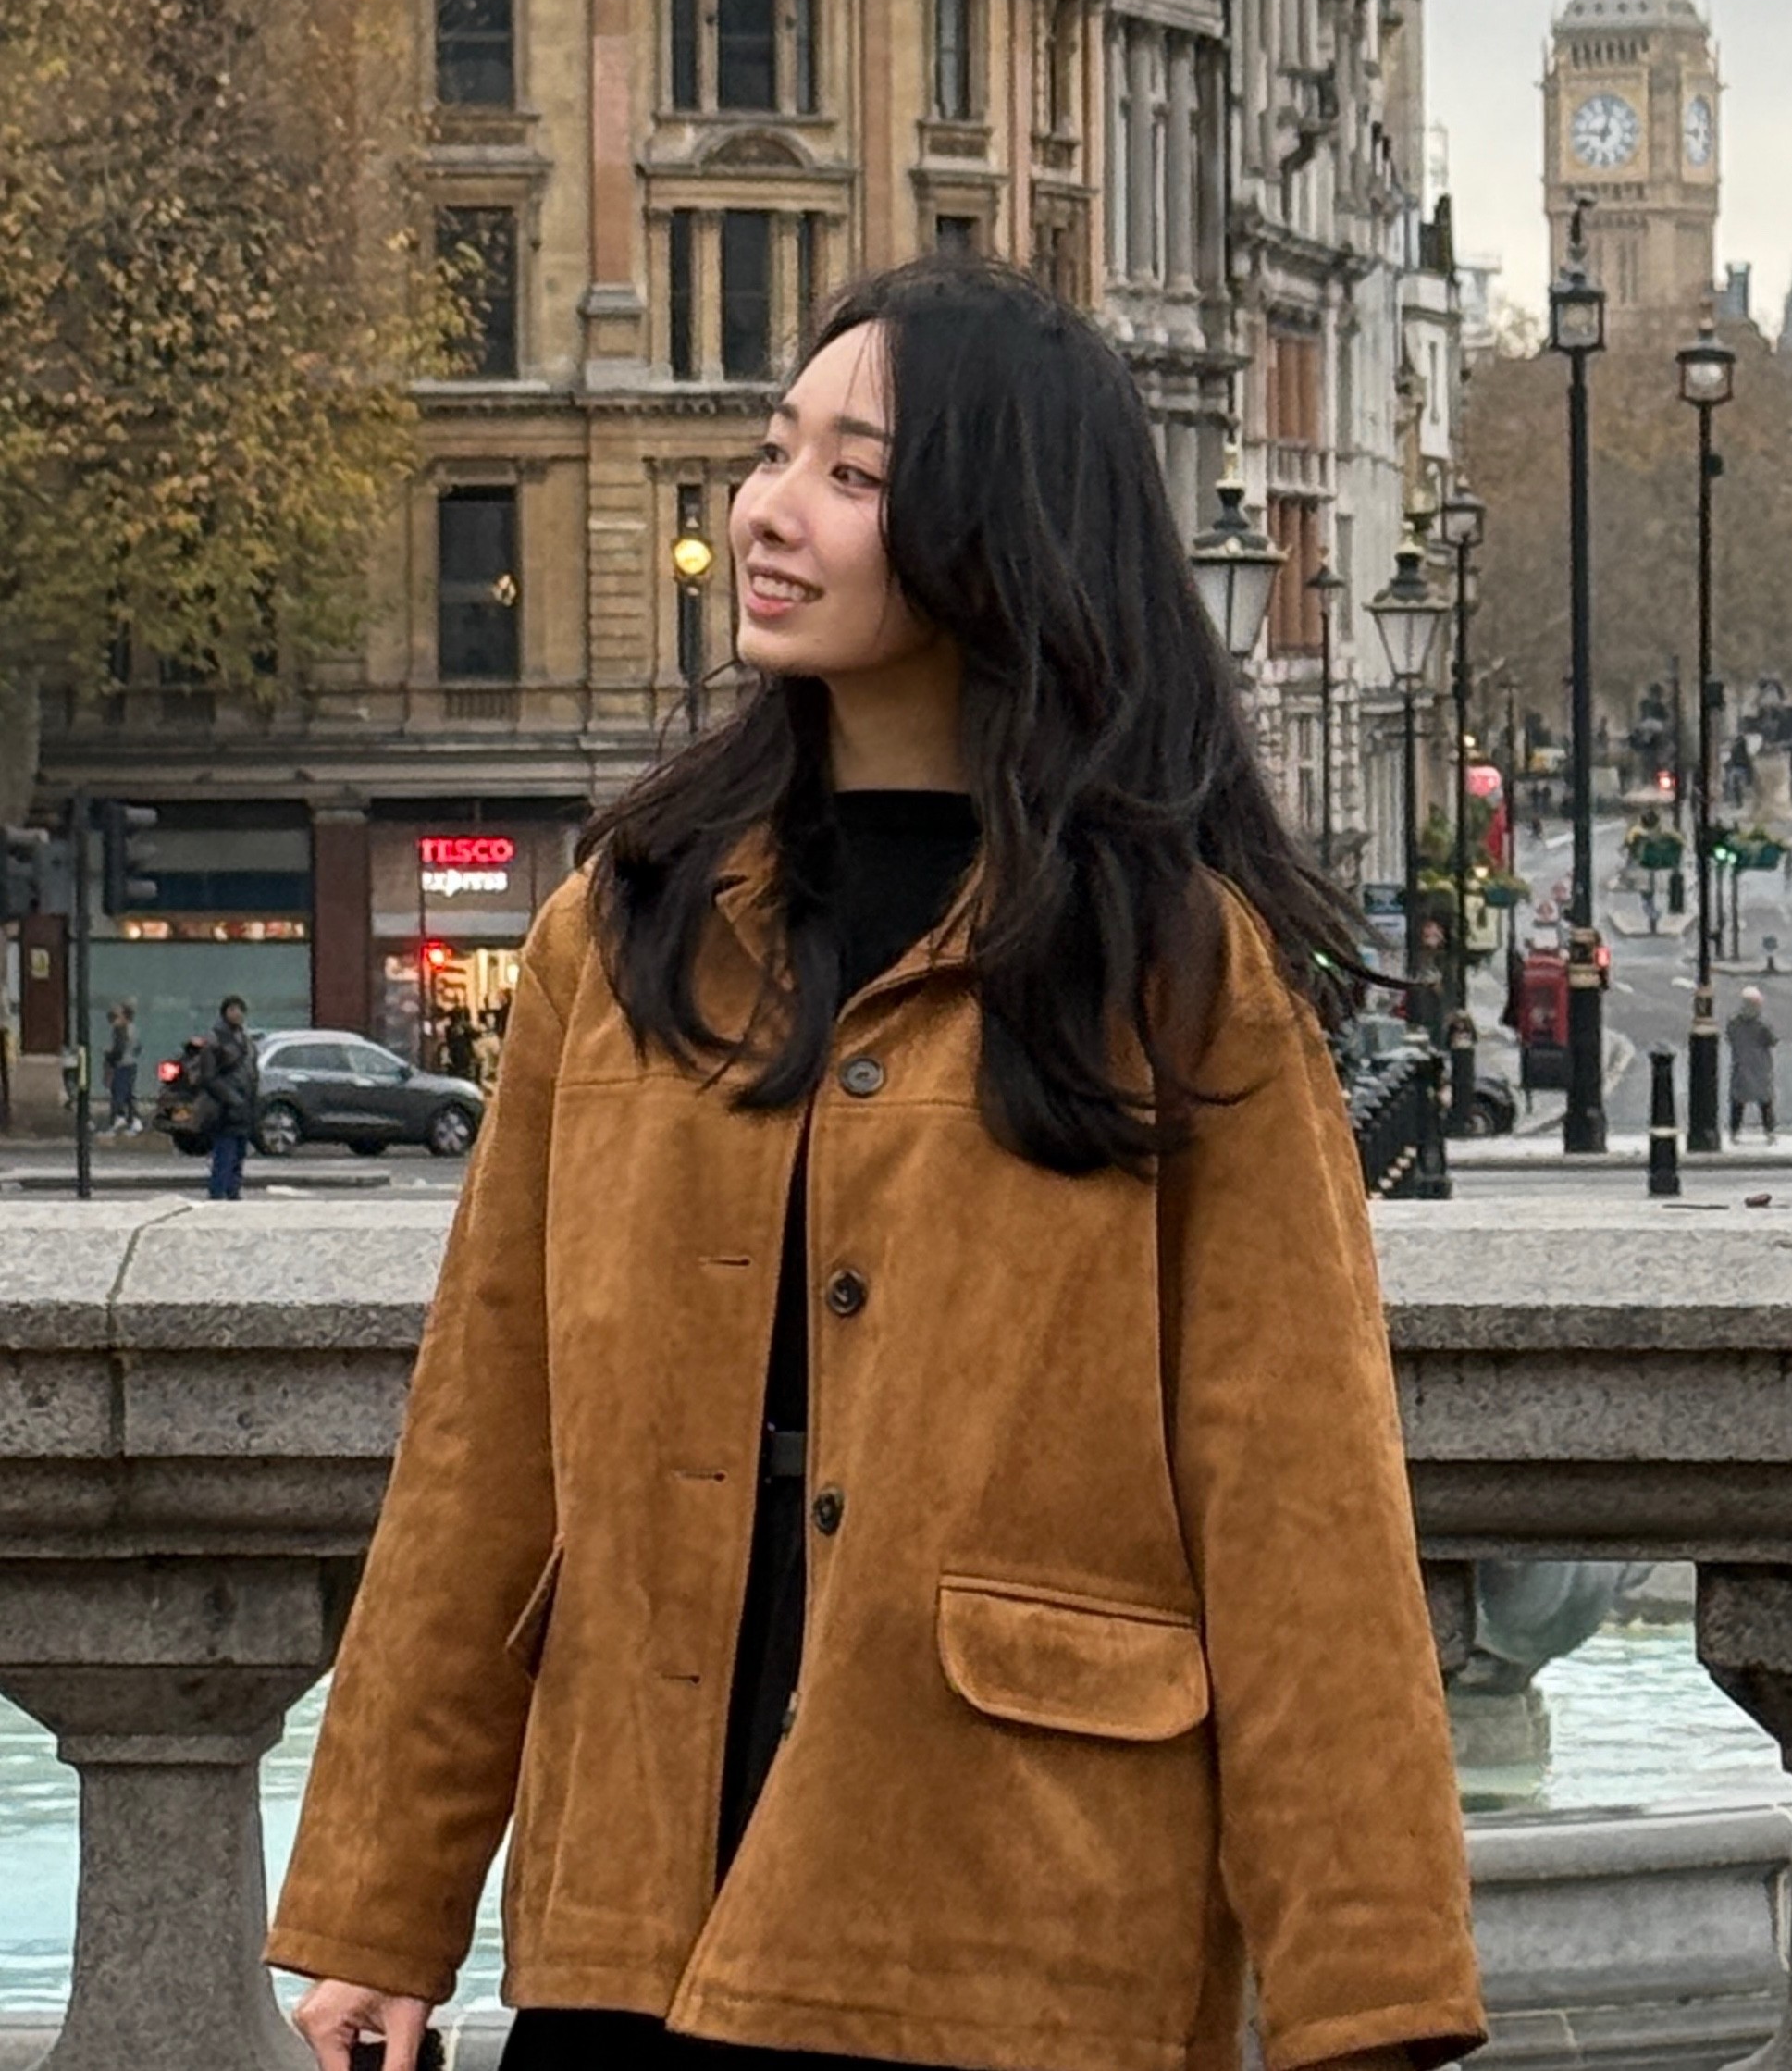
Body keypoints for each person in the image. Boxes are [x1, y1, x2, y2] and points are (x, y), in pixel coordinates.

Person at [268, 260, 1487, 2071]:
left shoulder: (1169, 967)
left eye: (850, 472)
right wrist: (381, 1901)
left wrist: (1365, 2002)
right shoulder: (628, 925)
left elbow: (1295, 1510)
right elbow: (481, 1441)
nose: (767, 508)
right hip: (634, 1910)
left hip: (1011, 1923)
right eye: (775, 452)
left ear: (994, 531)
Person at [198, 995, 258, 1200]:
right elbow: (209, 1077)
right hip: (224, 1108)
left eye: (240, 1010)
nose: (237, 1014)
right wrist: (230, 1098)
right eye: (232, 1009)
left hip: (244, 1106)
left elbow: (252, 1072)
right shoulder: (215, 1039)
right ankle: (218, 1193)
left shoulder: (246, 1040)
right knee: (225, 1153)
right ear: (224, 1012)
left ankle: (234, 1192)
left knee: (239, 1154)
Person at [1726, 985, 1778, 1141]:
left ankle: (1734, 1131)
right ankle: (1769, 1131)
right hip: (1760, 1067)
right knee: (1765, 1101)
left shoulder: (1734, 1023)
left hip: (1741, 1065)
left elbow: (1730, 1037)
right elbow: (1772, 1041)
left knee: (1738, 1101)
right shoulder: (1762, 1025)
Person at [103, 1000, 142, 1135]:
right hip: (131, 1064)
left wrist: (109, 1056)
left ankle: (118, 1121)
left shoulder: (121, 1031)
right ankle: (133, 1120)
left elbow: (118, 1050)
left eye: (116, 1016)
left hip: (122, 1066)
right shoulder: (133, 1029)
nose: (112, 1020)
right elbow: (138, 1048)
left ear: (124, 1017)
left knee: (118, 1094)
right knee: (129, 1094)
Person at [442, 1004, 477, 1084]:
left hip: (455, 1053)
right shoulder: (463, 1025)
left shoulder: (449, 1028)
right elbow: (475, 1034)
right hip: (464, 1053)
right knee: (466, 1071)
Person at [471, 1009, 502, 1094]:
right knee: (485, 1062)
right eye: (490, 1018)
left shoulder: (489, 1032)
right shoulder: (481, 1029)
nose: (492, 1020)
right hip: (480, 1049)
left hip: (485, 1049)